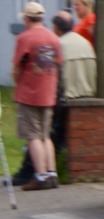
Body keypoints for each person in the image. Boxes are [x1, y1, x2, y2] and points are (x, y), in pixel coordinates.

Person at [11, 2, 61, 192]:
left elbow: (17, 67)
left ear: (26, 18)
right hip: (48, 92)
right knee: (45, 135)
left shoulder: (25, 38)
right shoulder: (53, 38)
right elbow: (56, 64)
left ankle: (40, 176)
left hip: (30, 92)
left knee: (33, 136)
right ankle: (51, 173)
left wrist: (19, 85)